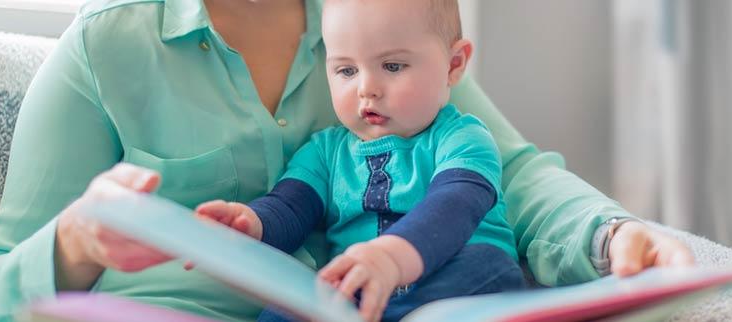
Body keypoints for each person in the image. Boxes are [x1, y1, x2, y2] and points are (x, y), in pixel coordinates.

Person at [0, 0, 693, 321]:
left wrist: (608, 235)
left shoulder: (382, 22)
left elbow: (512, 175)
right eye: (347, 73)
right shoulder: (106, 44)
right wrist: (74, 241)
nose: (366, 87)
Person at [193, 0, 526, 320]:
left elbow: (454, 206)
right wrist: (250, 224)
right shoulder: (324, 151)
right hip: (363, 291)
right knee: (288, 306)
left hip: (457, 276)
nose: (367, 88)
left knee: (487, 266)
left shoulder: (462, 138)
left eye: (393, 66)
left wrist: (390, 259)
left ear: (454, 64)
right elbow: (289, 207)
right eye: (347, 70)